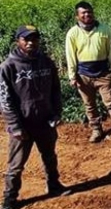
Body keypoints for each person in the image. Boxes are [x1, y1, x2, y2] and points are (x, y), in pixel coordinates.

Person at [0, 26, 71, 209]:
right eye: (26, 39)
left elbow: (56, 90)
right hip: (22, 126)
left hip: (45, 122)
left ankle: (54, 186)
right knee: (15, 166)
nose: (31, 42)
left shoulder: (46, 62)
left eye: (34, 38)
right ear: (18, 41)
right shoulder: (8, 66)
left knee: (49, 157)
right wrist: (15, 126)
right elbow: (4, 99)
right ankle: (9, 199)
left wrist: (56, 113)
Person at [65, 1, 111, 143]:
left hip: (103, 73)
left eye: (89, 12)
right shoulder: (72, 33)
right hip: (83, 75)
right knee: (89, 105)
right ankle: (96, 129)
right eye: (83, 13)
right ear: (77, 16)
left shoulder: (104, 29)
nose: (87, 15)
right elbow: (70, 55)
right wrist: (72, 76)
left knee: (110, 102)